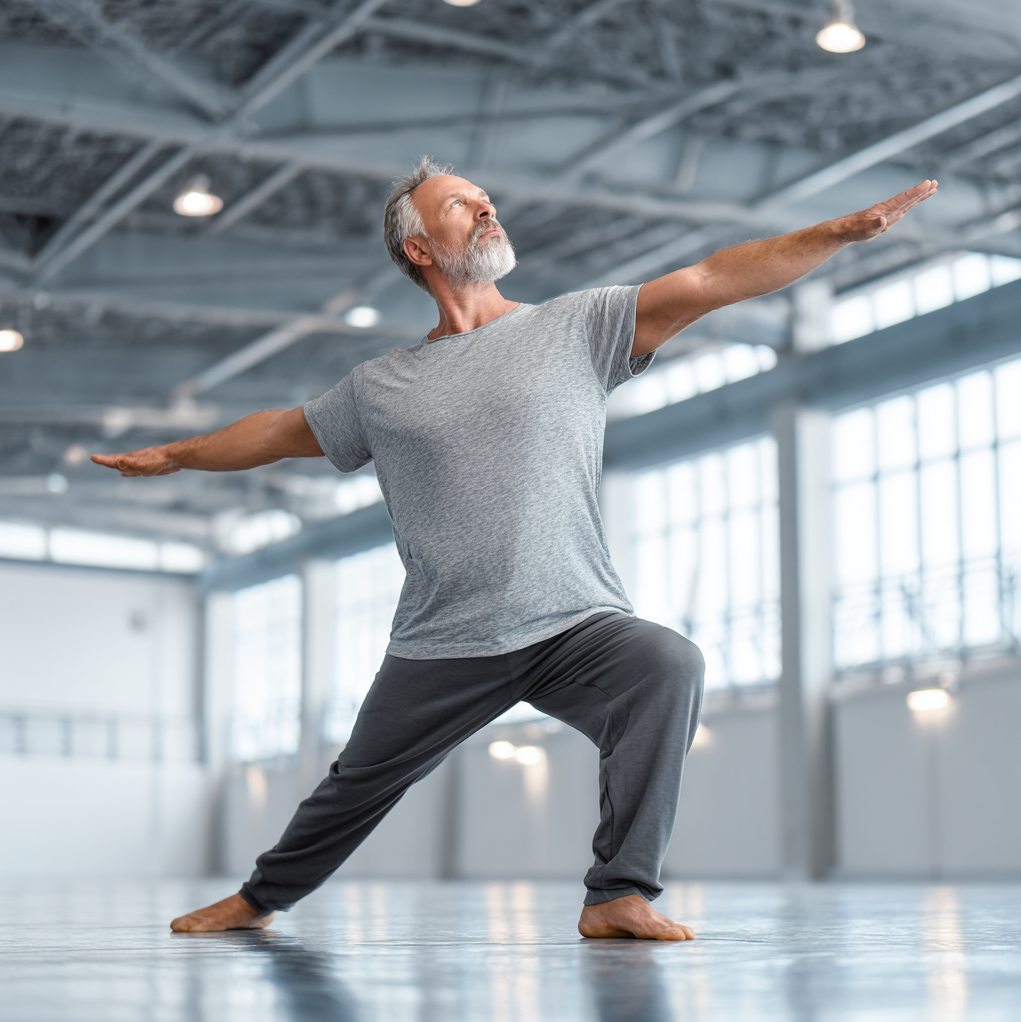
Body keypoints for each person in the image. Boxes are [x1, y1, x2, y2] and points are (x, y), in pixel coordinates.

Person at [94, 159, 937, 939]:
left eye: (485, 196)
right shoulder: (380, 388)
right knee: (358, 782)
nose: (486, 205)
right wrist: (175, 454)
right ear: (419, 247)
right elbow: (279, 432)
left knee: (667, 664)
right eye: (461, 203)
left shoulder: (579, 327)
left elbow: (713, 279)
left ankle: (618, 895)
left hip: (576, 618)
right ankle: (259, 898)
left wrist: (835, 234)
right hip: (445, 636)